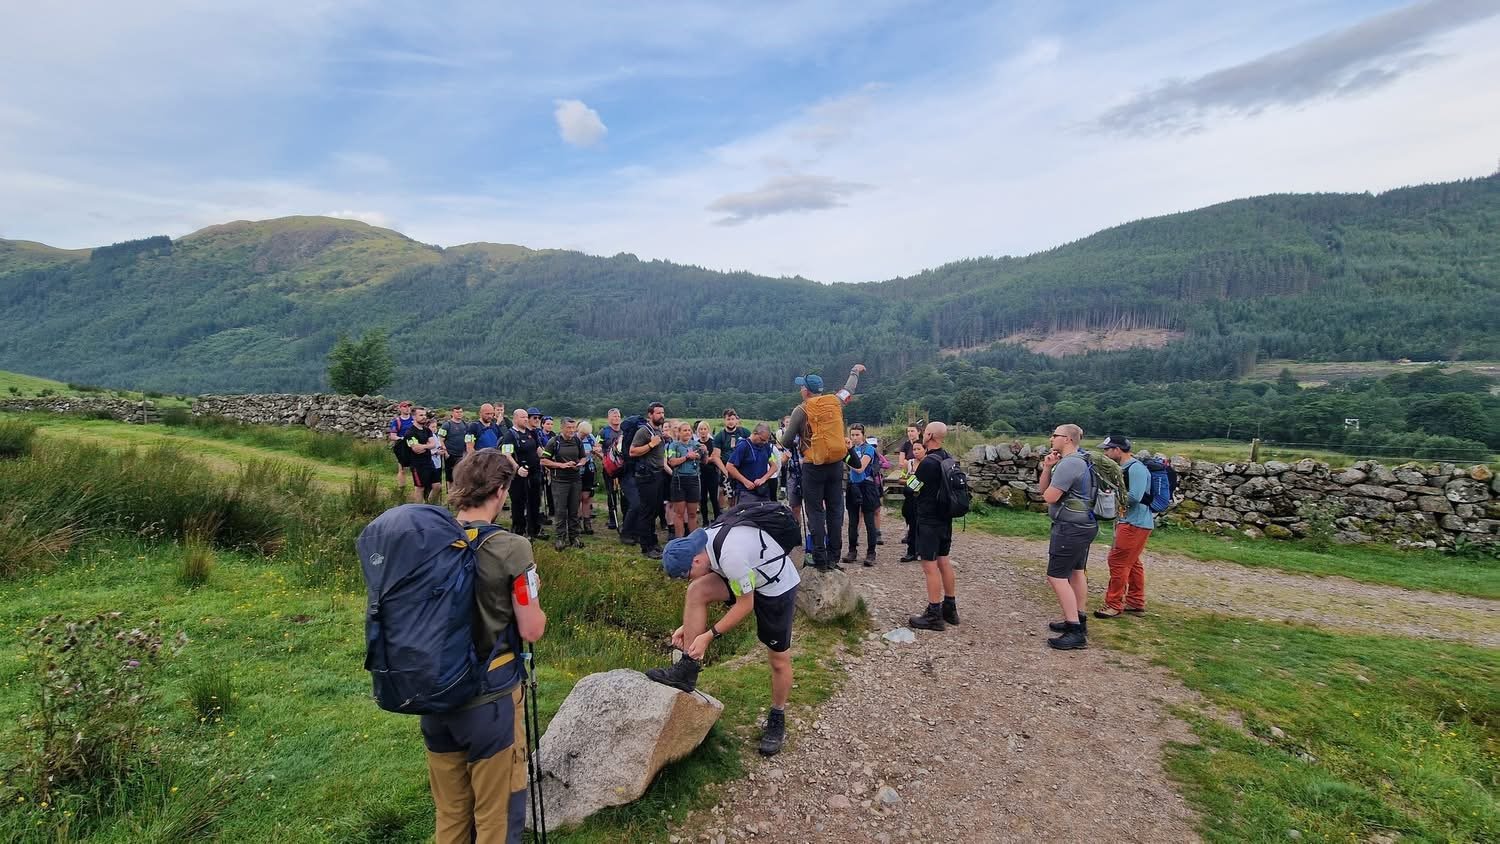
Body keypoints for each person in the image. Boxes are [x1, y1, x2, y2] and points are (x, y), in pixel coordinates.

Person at [421, 449, 546, 843]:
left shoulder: (428, 540)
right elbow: (531, 629)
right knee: (496, 816)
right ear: (500, 490)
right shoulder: (512, 547)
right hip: (489, 699)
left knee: (451, 812)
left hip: (434, 693)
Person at [646, 521, 802, 756]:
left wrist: (708, 636)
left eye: (686, 575)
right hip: (748, 574)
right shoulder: (702, 544)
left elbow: (745, 605)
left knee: (779, 660)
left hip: (775, 587)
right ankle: (687, 669)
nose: (687, 579)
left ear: (696, 561)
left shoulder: (730, 556)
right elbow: (720, 583)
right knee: (697, 590)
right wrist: (688, 625)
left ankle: (777, 717)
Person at [780, 365, 865, 571]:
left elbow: (786, 441)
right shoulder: (835, 401)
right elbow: (849, 389)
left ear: (806, 391)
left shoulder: (801, 410)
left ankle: (819, 557)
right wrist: (854, 372)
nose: (801, 389)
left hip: (813, 466)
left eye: (802, 387)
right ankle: (834, 556)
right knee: (835, 511)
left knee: (815, 511)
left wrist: (798, 441)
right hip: (836, 464)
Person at [1040, 423, 1097, 650]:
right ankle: (1078, 619)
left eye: (1055, 435)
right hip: (1084, 525)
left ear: (1068, 439)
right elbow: (1044, 491)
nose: (1051, 438)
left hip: (1070, 528)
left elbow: (1049, 497)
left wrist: (1051, 475)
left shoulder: (1070, 464)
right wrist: (1047, 467)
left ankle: (1075, 631)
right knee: (1076, 571)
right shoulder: (1082, 460)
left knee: (1056, 576)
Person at [906, 422, 960, 631]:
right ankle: (950, 608)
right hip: (945, 517)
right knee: (944, 561)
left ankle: (933, 613)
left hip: (929, 519)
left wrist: (911, 479)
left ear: (929, 435)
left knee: (929, 566)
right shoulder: (947, 457)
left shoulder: (928, 463)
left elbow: (912, 488)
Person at [1094, 434, 1153, 619]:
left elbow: (1134, 497)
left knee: (1118, 561)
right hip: (1133, 522)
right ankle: (1135, 602)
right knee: (1132, 562)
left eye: (1107, 449)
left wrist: (1108, 498)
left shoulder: (1136, 469)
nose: (1105, 453)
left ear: (1117, 450)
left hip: (1134, 523)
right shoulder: (1126, 468)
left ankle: (1113, 604)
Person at [623, 402, 668, 560]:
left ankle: (653, 542)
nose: (661, 415)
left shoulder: (658, 430)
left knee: (654, 511)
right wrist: (650, 444)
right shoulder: (643, 431)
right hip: (647, 476)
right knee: (646, 512)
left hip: (657, 475)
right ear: (650, 414)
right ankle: (646, 546)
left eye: (662, 413)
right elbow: (632, 451)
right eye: (658, 413)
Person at [540, 418, 588, 551]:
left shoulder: (577, 441)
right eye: (569, 428)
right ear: (562, 428)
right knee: (560, 511)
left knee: (574, 510)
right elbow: (543, 461)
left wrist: (581, 463)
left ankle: (574, 537)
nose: (572, 430)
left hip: (575, 480)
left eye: (573, 428)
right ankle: (560, 538)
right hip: (560, 481)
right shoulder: (554, 442)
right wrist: (561, 465)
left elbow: (583, 457)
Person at [500, 409, 546, 540]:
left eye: (526, 417)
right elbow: (506, 454)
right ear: (515, 419)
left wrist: (549, 460)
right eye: (522, 417)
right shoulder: (510, 435)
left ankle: (534, 529)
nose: (526, 419)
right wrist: (517, 468)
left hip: (534, 473)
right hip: (519, 475)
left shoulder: (532, 433)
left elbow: (539, 450)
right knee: (519, 503)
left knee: (535, 501)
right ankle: (518, 531)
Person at [842, 423, 880, 566]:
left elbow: (860, 468)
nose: (855, 437)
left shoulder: (868, 449)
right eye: (852, 435)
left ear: (863, 435)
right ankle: (852, 551)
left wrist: (847, 457)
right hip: (853, 485)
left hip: (866, 486)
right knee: (852, 521)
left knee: (869, 520)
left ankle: (871, 552)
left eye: (857, 435)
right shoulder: (850, 449)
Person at [666, 422, 704, 538]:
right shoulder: (673, 445)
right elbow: (672, 462)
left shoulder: (696, 444)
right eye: (684, 430)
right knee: (679, 513)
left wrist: (704, 452)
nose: (687, 432)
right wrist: (687, 457)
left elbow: (704, 459)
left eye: (689, 430)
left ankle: (693, 541)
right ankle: (679, 540)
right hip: (679, 480)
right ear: (679, 432)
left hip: (694, 480)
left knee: (692, 513)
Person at [712, 410, 754, 513]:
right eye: (728, 419)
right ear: (724, 420)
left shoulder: (745, 433)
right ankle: (730, 516)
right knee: (730, 497)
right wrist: (725, 471)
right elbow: (716, 456)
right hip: (727, 470)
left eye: (732, 419)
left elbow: (752, 449)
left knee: (744, 495)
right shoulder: (720, 436)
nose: (730, 421)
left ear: (736, 420)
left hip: (742, 470)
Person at [725, 423, 777, 504]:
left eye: (766, 440)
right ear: (755, 433)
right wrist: (745, 481)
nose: (764, 442)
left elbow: (774, 466)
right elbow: (729, 466)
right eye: (762, 439)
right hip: (745, 491)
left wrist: (764, 479)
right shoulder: (743, 446)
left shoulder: (766, 446)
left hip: (762, 491)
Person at [405, 408, 444, 504]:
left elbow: (433, 444)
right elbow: (416, 449)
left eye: (424, 415)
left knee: (437, 486)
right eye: (421, 415)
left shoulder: (427, 430)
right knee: (420, 488)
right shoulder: (410, 432)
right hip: (417, 465)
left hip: (429, 462)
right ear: (414, 417)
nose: (424, 417)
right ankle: (418, 509)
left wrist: (423, 446)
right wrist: (427, 445)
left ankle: (429, 505)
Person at [897, 440, 927, 562]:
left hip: (924, 499)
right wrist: (913, 480)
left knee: (923, 526)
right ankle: (911, 551)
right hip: (910, 499)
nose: (916, 452)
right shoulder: (908, 464)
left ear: (925, 450)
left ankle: (923, 551)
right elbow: (901, 479)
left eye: (919, 449)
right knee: (912, 525)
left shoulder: (928, 464)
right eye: (914, 449)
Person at [898, 423, 922, 552]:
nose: (910, 433)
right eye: (908, 431)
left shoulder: (927, 462)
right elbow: (902, 465)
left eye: (912, 431)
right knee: (907, 512)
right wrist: (912, 480)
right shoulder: (906, 446)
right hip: (909, 490)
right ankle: (911, 537)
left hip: (921, 494)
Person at [600, 408, 625, 531]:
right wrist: (606, 459)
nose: (617, 418)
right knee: (611, 492)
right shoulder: (604, 432)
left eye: (618, 416)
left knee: (624, 492)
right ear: (609, 418)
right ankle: (612, 518)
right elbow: (596, 447)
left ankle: (626, 517)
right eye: (614, 416)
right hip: (609, 467)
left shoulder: (624, 431)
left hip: (623, 467)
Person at [695, 421, 723, 523]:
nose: (703, 431)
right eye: (701, 429)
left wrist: (707, 458)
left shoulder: (713, 443)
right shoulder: (695, 444)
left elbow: (716, 457)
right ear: (698, 431)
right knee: (702, 498)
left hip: (712, 473)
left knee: (714, 498)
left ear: (708, 430)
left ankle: (717, 519)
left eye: (705, 429)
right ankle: (705, 521)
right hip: (700, 474)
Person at [439, 406, 472, 486]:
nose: (459, 414)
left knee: (462, 477)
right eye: (457, 412)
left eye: (460, 412)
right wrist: (446, 454)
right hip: (451, 455)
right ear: (452, 413)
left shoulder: (466, 425)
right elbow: (440, 440)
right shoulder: (446, 425)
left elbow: (469, 439)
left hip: (463, 456)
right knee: (450, 479)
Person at [577, 419, 599, 536]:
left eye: (586, 434)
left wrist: (596, 450)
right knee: (576, 497)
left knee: (586, 497)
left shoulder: (590, 437)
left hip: (588, 469)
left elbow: (597, 448)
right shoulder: (574, 438)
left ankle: (587, 522)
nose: (585, 436)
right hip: (577, 469)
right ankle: (576, 522)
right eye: (583, 434)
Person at [388, 400, 416, 489]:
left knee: (416, 468)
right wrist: (401, 438)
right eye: (405, 406)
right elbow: (392, 436)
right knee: (402, 469)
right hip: (402, 447)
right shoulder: (396, 421)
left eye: (409, 406)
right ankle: (401, 488)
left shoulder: (414, 420)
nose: (407, 408)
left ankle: (418, 487)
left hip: (414, 446)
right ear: (400, 408)